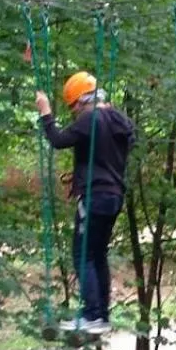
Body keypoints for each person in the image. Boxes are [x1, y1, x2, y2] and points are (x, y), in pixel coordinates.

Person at [36, 70, 136, 335]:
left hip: (94, 196)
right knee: (97, 254)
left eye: (73, 109)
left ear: (81, 101)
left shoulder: (90, 118)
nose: (74, 115)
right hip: (114, 196)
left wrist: (45, 113)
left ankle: (92, 315)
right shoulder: (120, 120)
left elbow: (57, 140)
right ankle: (100, 316)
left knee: (83, 254)